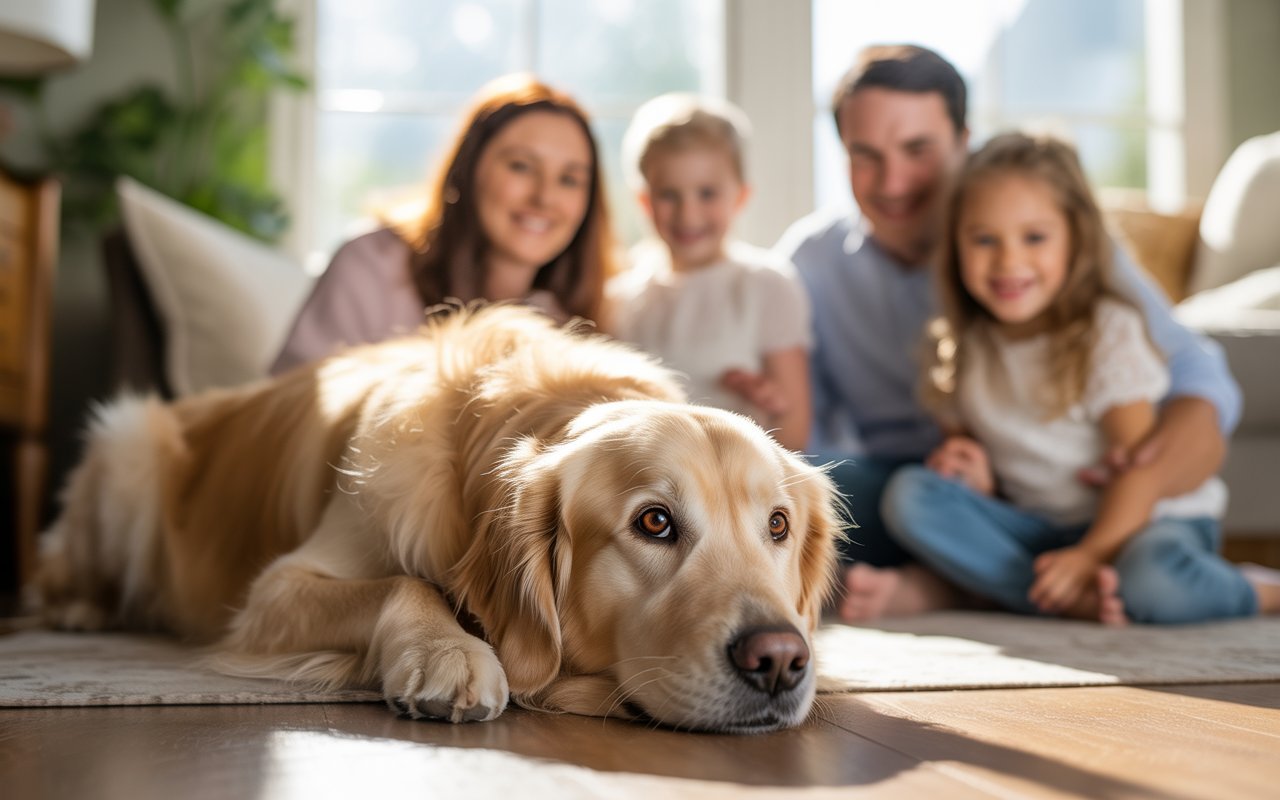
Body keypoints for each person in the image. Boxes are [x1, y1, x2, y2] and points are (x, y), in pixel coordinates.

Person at [771, 45, 1243, 621]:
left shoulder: (1042, 238)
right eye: (865, 155)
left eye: (917, 150)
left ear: (962, 141)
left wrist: (1148, 469)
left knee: (1147, 571)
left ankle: (962, 587)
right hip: (935, 493)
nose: (893, 181)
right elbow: (801, 436)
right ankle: (1036, 585)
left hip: (1072, 501)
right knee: (815, 493)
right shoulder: (808, 263)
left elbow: (1197, 376)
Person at [876, 132, 1280, 624]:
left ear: (1076, 239)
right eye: (984, 239)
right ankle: (1070, 595)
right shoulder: (958, 349)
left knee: (1150, 582)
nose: (1008, 261)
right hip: (1047, 530)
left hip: (1146, 523)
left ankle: (1257, 592)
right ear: (955, 244)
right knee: (910, 497)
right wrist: (974, 478)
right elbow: (988, 476)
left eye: (1035, 237)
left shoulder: (1106, 333)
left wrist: (1091, 555)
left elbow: (1140, 475)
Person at [272, 73, 618, 374]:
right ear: (467, 168)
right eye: (521, 166)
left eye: (569, 180)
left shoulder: (584, 319)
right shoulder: (372, 264)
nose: (544, 197)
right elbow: (287, 413)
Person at [606, 93, 812, 450]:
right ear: (643, 201)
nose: (689, 214)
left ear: (741, 196)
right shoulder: (620, 300)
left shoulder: (767, 285)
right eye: (669, 195)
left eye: (707, 193)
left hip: (741, 484)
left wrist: (772, 407)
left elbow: (794, 427)